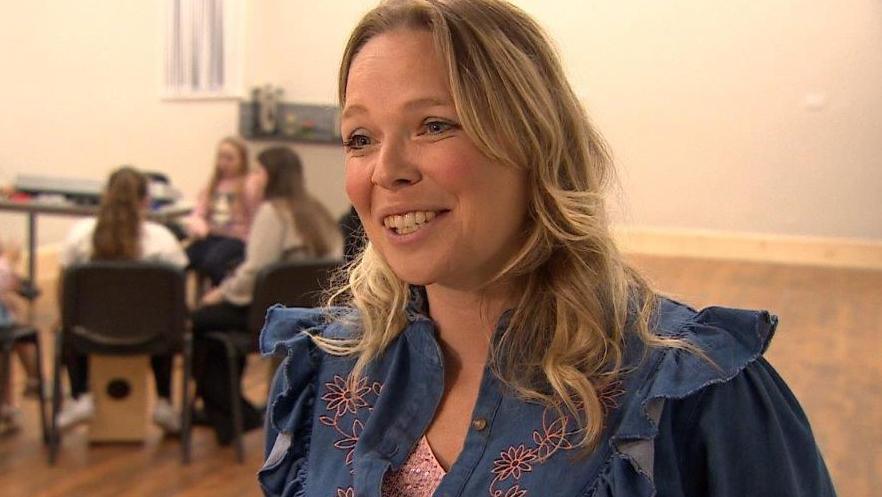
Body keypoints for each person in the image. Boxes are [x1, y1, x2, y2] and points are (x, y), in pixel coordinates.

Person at [257, 1, 837, 497]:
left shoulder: (696, 393)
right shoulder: (319, 375)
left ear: (533, 139)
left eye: (434, 125)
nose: (387, 171)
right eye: (360, 138)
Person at [192, 146, 342, 445]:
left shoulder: (272, 213)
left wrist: (219, 294)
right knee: (215, 328)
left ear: (271, 176)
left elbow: (254, 273)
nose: (252, 178)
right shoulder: (316, 211)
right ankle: (234, 411)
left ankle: (231, 414)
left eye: (257, 171)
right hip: (310, 315)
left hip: (268, 319)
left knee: (200, 322)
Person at [56, 167, 187, 433]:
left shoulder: (80, 234)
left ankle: (80, 395)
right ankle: (164, 401)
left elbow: (64, 290)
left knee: (69, 322)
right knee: (164, 317)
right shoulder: (162, 239)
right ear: (146, 201)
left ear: (105, 196)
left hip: (88, 334)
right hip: (152, 336)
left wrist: (63, 319)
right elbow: (176, 296)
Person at [185, 136, 262, 286]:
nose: (223, 163)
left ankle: (223, 292)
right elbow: (199, 212)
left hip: (237, 239)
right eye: (221, 157)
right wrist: (198, 225)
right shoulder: (214, 184)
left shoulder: (249, 184)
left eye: (230, 159)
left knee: (213, 262)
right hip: (212, 235)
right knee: (186, 258)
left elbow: (255, 217)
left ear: (242, 160)